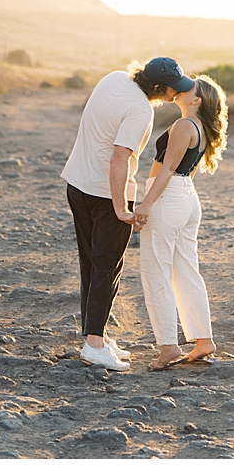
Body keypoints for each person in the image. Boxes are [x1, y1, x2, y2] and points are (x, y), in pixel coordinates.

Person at [61, 56, 194, 371]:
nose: (176, 96)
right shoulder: (141, 110)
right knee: (108, 268)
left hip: (77, 183)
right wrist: (121, 207)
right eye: (173, 91)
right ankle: (94, 344)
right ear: (159, 87)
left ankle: (99, 337)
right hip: (106, 193)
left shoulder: (114, 77)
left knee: (91, 265)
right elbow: (119, 158)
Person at [135, 74, 227, 370]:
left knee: (156, 273)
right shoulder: (200, 127)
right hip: (187, 197)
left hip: (168, 197)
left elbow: (169, 168)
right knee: (186, 271)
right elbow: (185, 171)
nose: (183, 89)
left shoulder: (183, 125)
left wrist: (147, 203)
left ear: (195, 99)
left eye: (190, 88)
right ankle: (203, 340)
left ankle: (168, 347)